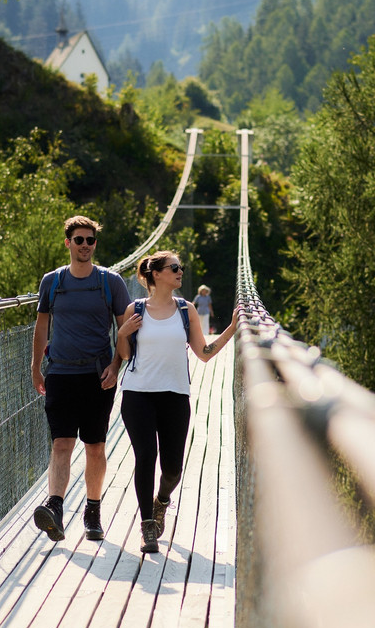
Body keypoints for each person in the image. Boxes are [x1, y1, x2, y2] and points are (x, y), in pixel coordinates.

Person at [115, 251, 239, 553]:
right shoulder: (137, 309)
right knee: (145, 456)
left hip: (175, 395)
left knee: (173, 469)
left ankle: (163, 499)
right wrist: (121, 332)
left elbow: (204, 353)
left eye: (180, 267)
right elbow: (126, 354)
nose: (180, 271)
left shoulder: (186, 310)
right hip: (138, 394)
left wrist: (232, 328)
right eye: (174, 267)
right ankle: (147, 527)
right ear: (156, 274)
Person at [31, 215, 131, 543]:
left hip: (96, 375)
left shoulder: (110, 282)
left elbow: (125, 328)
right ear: (68, 243)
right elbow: (42, 325)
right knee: (61, 443)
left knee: (95, 447)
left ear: (95, 245)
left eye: (90, 240)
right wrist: (35, 367)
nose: (85, 245)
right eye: (79, 240)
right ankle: (55, 508)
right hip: (60, 372)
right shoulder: (53, 282)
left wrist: (116, 366)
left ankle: (93, 509)